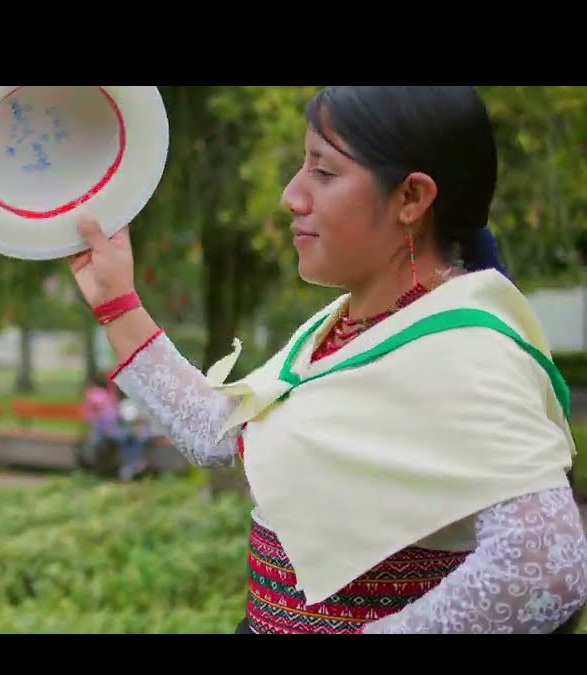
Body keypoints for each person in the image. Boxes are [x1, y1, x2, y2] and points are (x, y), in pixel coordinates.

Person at [68, 86, 587, 634]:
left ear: (411, 197)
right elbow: (218, 433)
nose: (292, 195)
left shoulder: (465, 349)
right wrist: (116, 301)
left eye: (325, 171)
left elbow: (546, 567)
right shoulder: (349, 325)